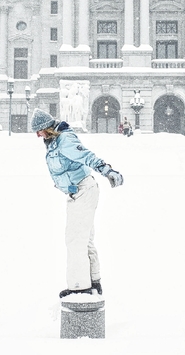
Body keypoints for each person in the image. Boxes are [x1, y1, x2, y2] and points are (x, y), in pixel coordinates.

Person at [31, 108, 124, 298]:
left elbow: (87, 156)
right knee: (84, 240)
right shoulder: (54, 142)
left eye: (38, 130)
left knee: (75, 240)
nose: (37, 135)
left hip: (84, 190)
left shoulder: (65, 139)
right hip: (78, 192)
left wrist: (108, 171)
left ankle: (79, 287)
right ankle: (93, 281)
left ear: (46, 128)